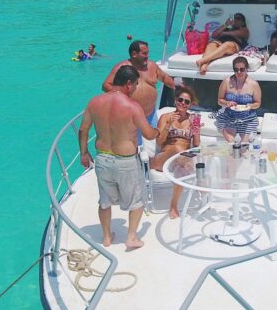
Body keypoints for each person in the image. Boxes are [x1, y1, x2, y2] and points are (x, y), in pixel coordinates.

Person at [79, 64, 158, 250]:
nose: (137, 89)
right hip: (126, 161)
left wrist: (84, 153)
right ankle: (131, 238)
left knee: (105, 201)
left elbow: (83, 130)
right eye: (136, 85)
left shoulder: (94, 102)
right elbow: (148, 134)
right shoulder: (132, 106)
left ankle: (106, 237)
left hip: (103, 159)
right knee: (136, 202)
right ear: (128, 84)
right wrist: (158, 131)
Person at [149, 85, 201, 218]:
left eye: (186, 102)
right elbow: (159, 143)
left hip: (182, 159)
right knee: (178, 149)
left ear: (190, 105)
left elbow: (196, 145)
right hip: (164, 158)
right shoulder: (166, 117)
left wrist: (197, 131)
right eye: (180, 100)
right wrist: (167, 126)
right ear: (175, 101)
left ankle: (173, 206)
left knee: (183, 169)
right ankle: (195, 178)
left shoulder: (194, 119)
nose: (183, 103)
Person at [103, 40, 175, 125]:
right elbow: (106, 85)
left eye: (148, 53)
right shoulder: (122, 68)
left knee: (154, 137)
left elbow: (164, 77)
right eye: (144, 53)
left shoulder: (152, 66)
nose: (147, 56)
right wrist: (121, 95)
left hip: (151, 116)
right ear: (134, 54)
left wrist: (177, 87)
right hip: (131, 119)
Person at [214, 56, 261, 142]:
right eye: (236, 69)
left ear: (246, 69)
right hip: (229, 117)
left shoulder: (254, 84)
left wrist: (250, 106)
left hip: (248, 119)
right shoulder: (226, 82)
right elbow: (220, 100)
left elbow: (257, 103)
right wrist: (227, 103)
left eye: (242, 69)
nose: (239, 72)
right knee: (231, 143)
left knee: (244, 145)